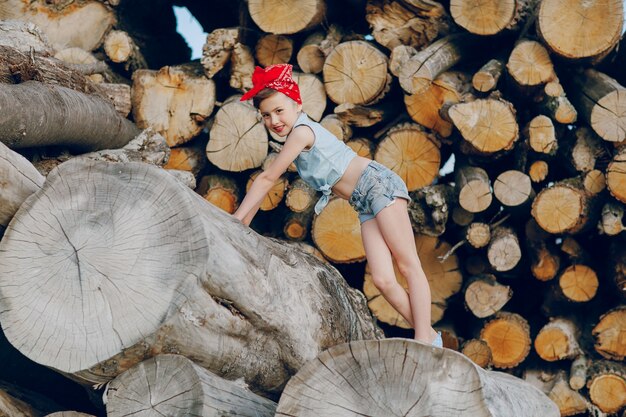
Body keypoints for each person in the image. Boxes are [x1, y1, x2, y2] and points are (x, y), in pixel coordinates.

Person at [233, 64, 442, 347]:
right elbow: (267, 180)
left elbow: (269, 176)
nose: (274, 120)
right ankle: (429, 336)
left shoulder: (302, 132)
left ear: (297, 104)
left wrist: (237, 219)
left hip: (377, 185)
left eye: (279, 110)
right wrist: (244, 220)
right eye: (266, 115)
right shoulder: (297, 132)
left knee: (407, 265)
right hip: (363, 201)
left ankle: (423, 342)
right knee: (382, 279)